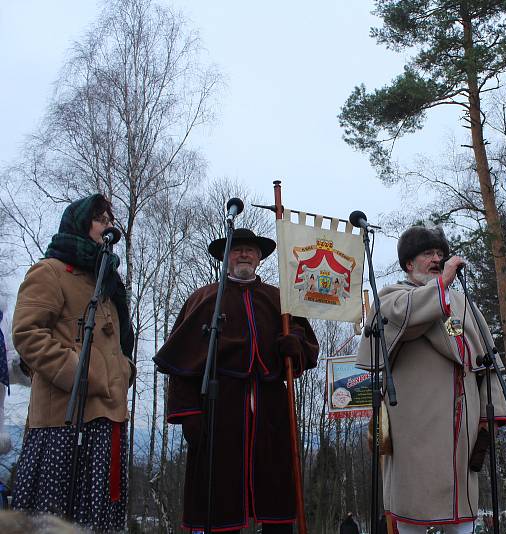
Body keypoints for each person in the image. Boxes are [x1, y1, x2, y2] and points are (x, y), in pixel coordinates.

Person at [153, 227, 319, 533]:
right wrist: (189, 416)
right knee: (219, 501)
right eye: (237, 249)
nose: (244, 254)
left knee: (276, 496)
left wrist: (293, 341)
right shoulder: (204, 299)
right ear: (226, 257)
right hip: (218, 411)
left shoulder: (279, 300)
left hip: (271, 410)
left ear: (259, 258)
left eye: (251, 250)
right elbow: (180, 363)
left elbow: (305, 344)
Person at [356, 225, 506, 533]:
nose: (437, 259)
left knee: (462, 515)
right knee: (412, 513)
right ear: (409, 264)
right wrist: (440, 287)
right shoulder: (391, 299)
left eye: (440, 253)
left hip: (460, 428)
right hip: (412, 428)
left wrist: (490, 414)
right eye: (428, 254)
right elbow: (406, 316)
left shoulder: (463, 304)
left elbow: (488, 363)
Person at [11, 194, 134, 532]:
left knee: (97, 520)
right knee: (53, 518)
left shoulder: (107, 284)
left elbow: (119, 345)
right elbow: (27, 334)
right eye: (100, 218)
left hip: (108, 419)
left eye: (111, 219)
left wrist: (124, 371)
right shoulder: (49, 271)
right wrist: (80, 373)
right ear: (80, 223)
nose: (108, 225)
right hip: (61, 421)